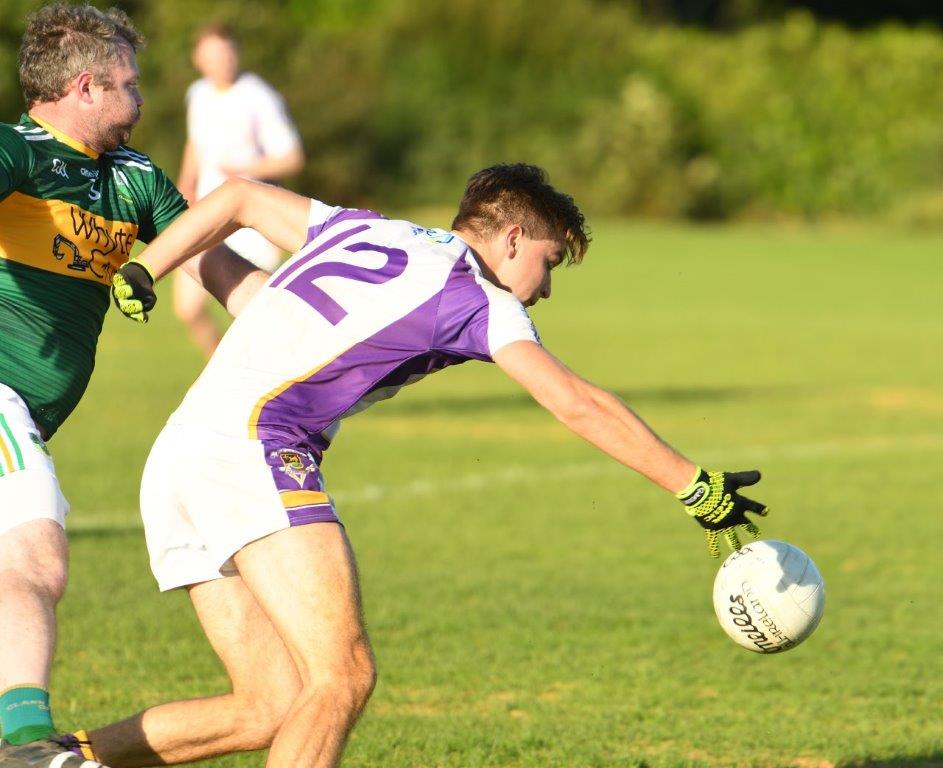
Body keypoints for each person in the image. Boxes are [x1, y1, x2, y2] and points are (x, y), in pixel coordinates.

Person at [80, 164, 770, 768]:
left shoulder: (364, 229)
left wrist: (148, 266)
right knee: (341, 675)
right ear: (510, 239)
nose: (547, 288)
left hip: (179, 454)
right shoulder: (477, 297)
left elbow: (236, 198)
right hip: (253, 449)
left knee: (269, 705)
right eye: (550, 262)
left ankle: (52, 759)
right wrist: (691, 484)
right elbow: (575, 402)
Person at [0, 6, 267, 767]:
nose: (141, 99)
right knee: (32, 556)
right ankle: (25, 748)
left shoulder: (136, 179)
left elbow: (221, 272)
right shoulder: (16, 152)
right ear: (85, 87)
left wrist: (324, 329)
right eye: (129, 83)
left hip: (31, 413)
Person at [173, 23, 305, 357]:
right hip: (206, 213)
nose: (223, 61)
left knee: (255, 317)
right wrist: (186, 183)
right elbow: (196, 143)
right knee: (186, 308)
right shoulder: (198, 93)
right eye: (214, 55)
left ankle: (283, 379)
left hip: (250, 220)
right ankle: (222, 369)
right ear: (198, 59)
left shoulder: (258, 96)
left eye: (227, 52)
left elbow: (292, 158)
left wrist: (245, 170)